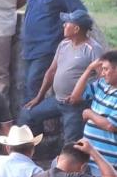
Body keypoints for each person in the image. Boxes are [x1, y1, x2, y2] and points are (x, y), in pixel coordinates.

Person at [19, 10, 102, 142]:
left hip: (76, 106)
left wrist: (82, 97)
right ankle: (33, 150)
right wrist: (38, 98)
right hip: (56, 100)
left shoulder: (93, 49)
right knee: (28, 114)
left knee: (71, 142)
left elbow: (102, 80)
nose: (63, 25)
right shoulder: (63, 44)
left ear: (76, 28)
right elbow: (51, 72)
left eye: (67, 23)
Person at [21, 0, 86, 102]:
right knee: (27, 86)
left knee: (33, 86)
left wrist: (66, 30)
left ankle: (31, 123)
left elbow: (80, 12)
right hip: (29, 48)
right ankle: (31, 123)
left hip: (47, 48)